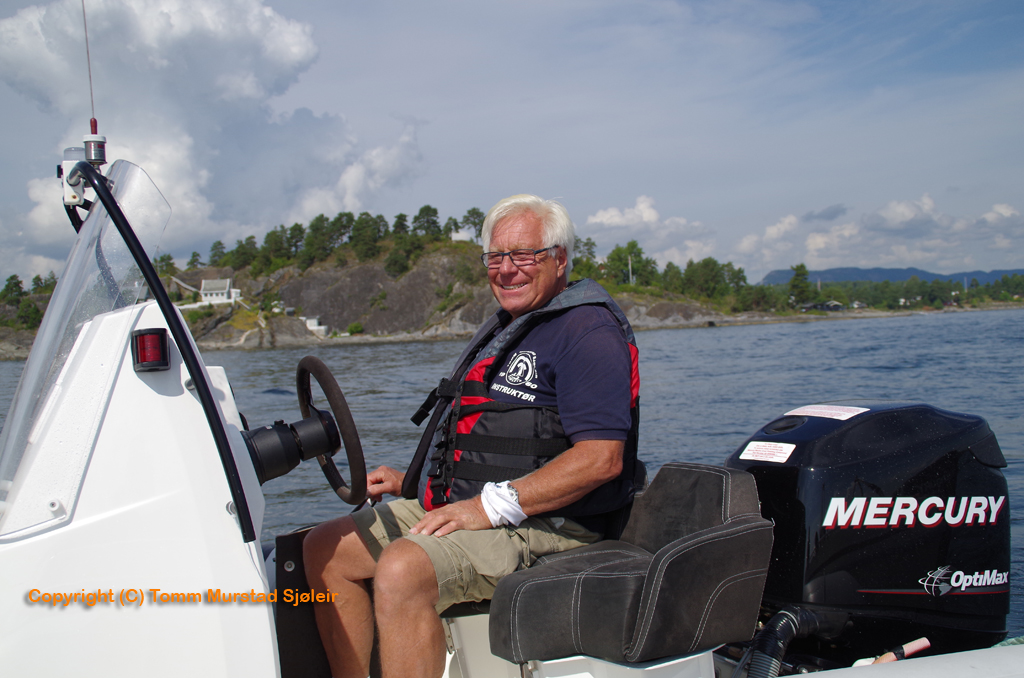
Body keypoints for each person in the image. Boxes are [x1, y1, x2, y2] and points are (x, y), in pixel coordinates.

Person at [303, 194, 640, 678]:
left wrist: (482, 509)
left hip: (553, 525)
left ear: (559, 259)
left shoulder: (588, 332)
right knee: (326, 549)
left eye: (523, 255)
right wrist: (412, 483)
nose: (506, 269)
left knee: (402, 567)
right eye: (495, 257)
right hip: (480, 507)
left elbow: (600, 459)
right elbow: (490, 440)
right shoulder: (511, 327)